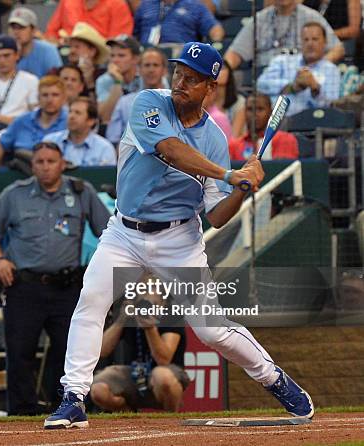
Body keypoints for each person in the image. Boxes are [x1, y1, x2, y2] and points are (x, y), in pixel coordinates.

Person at [43, 42, 314, 429]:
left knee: (212, 330)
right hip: (125, 231)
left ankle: (274, 379)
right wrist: (229, 175)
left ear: (211, 89)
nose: (180, 83)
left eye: (192, 78)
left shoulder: (216, 140)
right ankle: (73, 397)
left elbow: (217, 217)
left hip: (179, 241)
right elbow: (169, 150)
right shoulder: (148, 103)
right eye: (179, 73)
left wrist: (242, 188)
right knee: (92, 299)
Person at [0, 141, 111, 415]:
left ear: (62, 164)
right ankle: (22, 411)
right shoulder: (16, 194)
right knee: (19, 351)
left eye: (51, 161)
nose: (46, 166)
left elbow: (108, 229)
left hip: (67, 286)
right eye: (40, 161)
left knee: (68, 350)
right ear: (33, 165)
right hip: (24, 286)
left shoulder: (80, 191)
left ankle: (63, 405)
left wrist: (101, 265)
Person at [90, 296, 188, 412]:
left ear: (163, 302)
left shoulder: (172, 315)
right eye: (142, 302)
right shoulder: (129, 316)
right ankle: (129, 416)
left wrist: (149, 327)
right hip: (134, 372)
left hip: (165, 375)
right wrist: (121, 319)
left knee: (162, 376)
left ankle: (171, 419)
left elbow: (163, 360)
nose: (146, 308)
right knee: (98, 389)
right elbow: (102, 351)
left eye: (153, 303)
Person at [0, 75, 68, 165]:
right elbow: (1, 143)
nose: (50, 100)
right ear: (38, 98)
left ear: (63, 98)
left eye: (55, 95)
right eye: (45, 95)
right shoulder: (21, 121)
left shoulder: (71, 122)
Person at [224, 0, 344, 69]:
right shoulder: (259, 20)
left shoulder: (311, 16)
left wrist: (316, 68)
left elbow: (338, 49)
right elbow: (234, 54)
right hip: (265, 79)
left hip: (299, 77)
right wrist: (225, 70)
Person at [257, 22, 341, 116]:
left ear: (325, 42)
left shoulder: (331, 70)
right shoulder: (282, 61)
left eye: (315, 39)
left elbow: (331, 107)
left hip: (310, 122)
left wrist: (315, 89)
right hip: (276, 119)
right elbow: (260, 85)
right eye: (306, 39)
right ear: (300, 42)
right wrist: (292, 87)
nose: (310, 44)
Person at [106, 47, 168, 145]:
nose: (151, 70)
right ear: (139, 70)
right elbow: (113, 137)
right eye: (147, 65)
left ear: (164, 70)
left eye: (155, 65)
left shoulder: (174, 100)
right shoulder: (124, 102)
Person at [0, 7, 63, 78]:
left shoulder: (48, 50)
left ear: (33, 30)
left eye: (21, 27)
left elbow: (56, 81)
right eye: (13, 27)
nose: (16, 32)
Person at [45, 97, 117, 166]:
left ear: (91, 121)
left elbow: (107, 177)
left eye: (77, 113)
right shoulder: (50, 141)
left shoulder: (104, 148)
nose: (71, 116)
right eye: (70, 111)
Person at [229, 93, 299, 161]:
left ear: (270, 112)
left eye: (260, 109)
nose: (255, 114)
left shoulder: (285, 139)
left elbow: (283, 169)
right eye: (250, 109)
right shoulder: (234, 145)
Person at [133, 0, 224, 46]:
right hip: (148, 53)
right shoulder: (145, 5)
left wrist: (214, 46)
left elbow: (216, 29)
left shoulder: (195, 5)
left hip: (180, 53)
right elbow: (135, 34)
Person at [96, 35, 143, 124]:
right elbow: (105, 118)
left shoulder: (146, 77)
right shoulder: (103, 80)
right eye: (112, 55)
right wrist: (117, 82)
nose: (115, 60)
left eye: (121, 55)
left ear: (135, 59)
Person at [45, 0, 134, 42]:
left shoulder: (117, 5)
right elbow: (51, 32)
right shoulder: (67, 2)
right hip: (66, 51)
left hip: (100, 57)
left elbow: (117, 42)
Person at [65, 22, 110, 94]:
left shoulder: (103, 76)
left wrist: (89, 81)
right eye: (70, 46)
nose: (72, 50)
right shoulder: (60, 72)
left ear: (92, 51)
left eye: (77, 47)